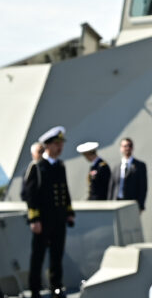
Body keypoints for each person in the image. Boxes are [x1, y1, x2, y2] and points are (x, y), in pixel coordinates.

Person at [25, 126, 75, 298]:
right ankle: (35, 290)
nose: (60, 147)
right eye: (56, 144)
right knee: (38, 256)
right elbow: (31, 196)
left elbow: (64, 190)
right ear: (47, 146)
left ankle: (56, 286)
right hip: (43, 220)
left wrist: (69, 212)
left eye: (61, 143)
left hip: (59, 219)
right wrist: (34, 219)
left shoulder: (60, 166)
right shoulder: (37, 167)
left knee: (57, 254)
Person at [109, 137, 148, 211]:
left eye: (129, 146)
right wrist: (109, 203)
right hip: (116, 202)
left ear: (132, 148)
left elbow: (143, 187)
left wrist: (141, 206)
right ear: (121, 148)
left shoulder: (140, 166)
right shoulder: (116, 167)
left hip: (131, 204)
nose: (127, 148)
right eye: (125, 146)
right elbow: (112, 187)